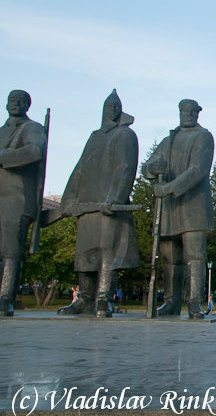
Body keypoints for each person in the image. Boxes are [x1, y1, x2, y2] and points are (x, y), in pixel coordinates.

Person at [57, 90, 140, 318]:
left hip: (108, 205)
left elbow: (125, 167)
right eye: (107, 107)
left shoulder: (125, 135)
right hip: (87, 205)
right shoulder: (94, 136)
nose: (111, 110)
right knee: (84, 253)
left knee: (108, 252)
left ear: (120, 110)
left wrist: (115, 197)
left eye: (115, 107)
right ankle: (84, 298)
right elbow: (80, 168)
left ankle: (103, 298)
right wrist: (69, 200)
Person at [142, 99, 215, 319]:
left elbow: (198, 169)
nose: (188, 114)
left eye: (192, 111)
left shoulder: (203, 137)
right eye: (185, 111)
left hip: (193, 205)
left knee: (195, 256)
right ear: (179, 113)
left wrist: (169, 188)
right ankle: (171, 303)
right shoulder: (168, 140)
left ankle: (194, 304)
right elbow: (148, 166)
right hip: (170, 208)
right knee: (169, 257)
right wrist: (150, 170)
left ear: (198, 114)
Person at [0, 90, 48, 317]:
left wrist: (3, 157)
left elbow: (34, 151)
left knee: (11, 249)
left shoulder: (33, 128)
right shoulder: (2, 131)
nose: (15, 104)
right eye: (12, 100)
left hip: (17, 197)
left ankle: (5, 298)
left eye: (20, 101)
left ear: (27, 105)